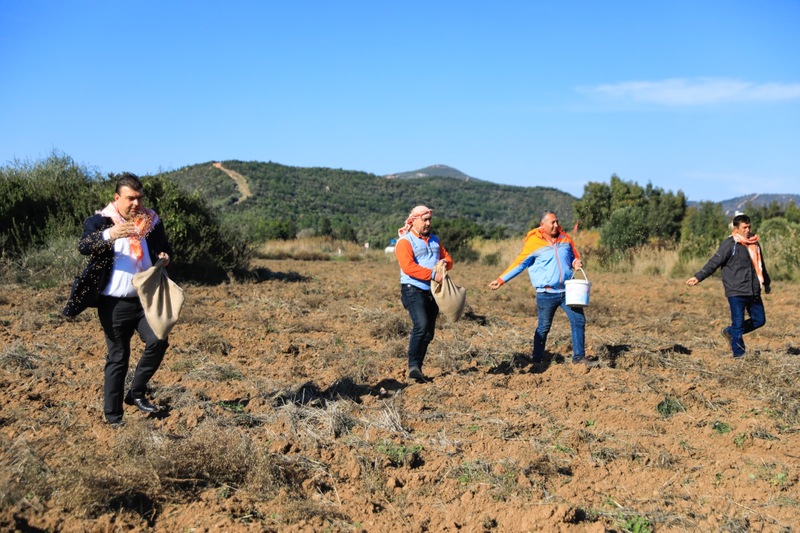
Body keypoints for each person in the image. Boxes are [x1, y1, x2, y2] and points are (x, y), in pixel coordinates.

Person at [63, 173, 173, 425]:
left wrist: (165, 256)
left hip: (145, 299)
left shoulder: (151, 222)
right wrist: (110, 234)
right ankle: (114, 418)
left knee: (158, 340)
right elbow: (84, 245)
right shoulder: (101, 221)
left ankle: (135, 392)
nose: (136, 204)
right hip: (113, 303)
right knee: (118, 358)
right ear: (117, 198)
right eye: (130, 199)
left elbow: (164, 247)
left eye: (140, 198)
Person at [489, 211, 595, 367]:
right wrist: (501, 280)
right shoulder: (533, 243)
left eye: (557, 222)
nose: (556, 225)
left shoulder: (566, 239)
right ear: (542, 225)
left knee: (578, 321)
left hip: (568, 291)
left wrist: (576, 262)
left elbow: (573, 257)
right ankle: (537, 360)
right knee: (544, 327)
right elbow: (520, 264)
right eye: (552, 222)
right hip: (546, 293)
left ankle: (579, 358)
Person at [686, 213, 771, 358]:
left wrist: (766, 283)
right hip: (736, 291)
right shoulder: (729, 244)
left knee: (759, 320)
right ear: (736, 228)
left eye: (749, 227)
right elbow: (714, 262)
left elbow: (760, 264)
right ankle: (739, 356)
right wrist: (698, 277)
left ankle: (729, 332)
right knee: (738, 324)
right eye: (744, 227)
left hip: (753, 290)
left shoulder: (754, 243)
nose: (747, 230)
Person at [395, 205, 453, 382]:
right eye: (425, 220)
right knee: (421, 324)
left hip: (432, 292)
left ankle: (417, 367)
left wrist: (444, 262)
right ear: (413, 221)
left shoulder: (435, 240)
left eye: (430, 220)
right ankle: (413, 366)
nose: (428, 223)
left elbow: (449, 259)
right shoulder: (405, 241)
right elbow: (408, 267)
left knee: (428, 332)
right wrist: (433, 275)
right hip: (412, 290)